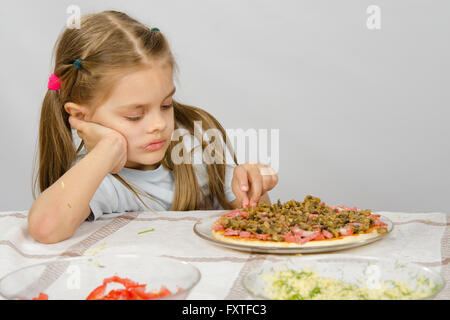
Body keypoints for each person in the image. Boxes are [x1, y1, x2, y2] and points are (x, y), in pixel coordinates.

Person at [28, 10, 278, 244]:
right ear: (81, 116)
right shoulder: (98, 181)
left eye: (166, 105)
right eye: (135, 116)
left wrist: (253, 188)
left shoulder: (195, 156)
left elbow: (262, 224)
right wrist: (108, 149)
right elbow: (46, 228)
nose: (159, 124)